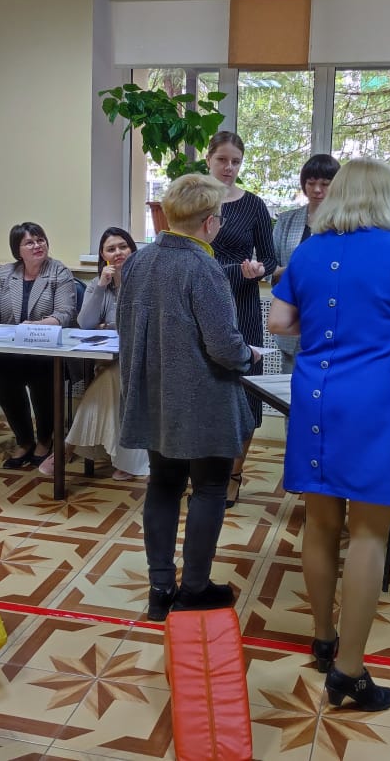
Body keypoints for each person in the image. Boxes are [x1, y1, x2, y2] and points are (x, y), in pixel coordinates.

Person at [268, 157, 390, 712]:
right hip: (370, 403)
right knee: (369, 534)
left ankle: (323, 638)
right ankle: (348, 671)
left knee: (320, 523)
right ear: (386, 198)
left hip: (314, 397)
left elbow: (278, 323)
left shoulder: (308, 251)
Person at [118, 174, 262, 621]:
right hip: (204, 399)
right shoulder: (203, 267)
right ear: (209, 222)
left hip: (155, 395)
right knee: (211, 488)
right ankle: (194, 588)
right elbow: (224, 346)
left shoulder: (138, 261)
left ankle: (160, 589)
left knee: (162, 485)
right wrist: (249, 354)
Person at [37, 227, 149, 481]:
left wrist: (107, 324)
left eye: (123, 246)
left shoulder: (146, 282)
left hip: (143, 362)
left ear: (133, 250)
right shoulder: (97, 285)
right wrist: (101, 287)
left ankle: (66, 449)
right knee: (109, 380)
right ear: (103, 255)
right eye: (111, 249)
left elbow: (136, 325)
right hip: (110, 360)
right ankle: (124, 458)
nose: (118, 252)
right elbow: (85, 324)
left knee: (108, 380)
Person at [206, 131, 277, 506]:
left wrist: (258, 269)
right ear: (208, 160)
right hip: (201, 303)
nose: (229, 167)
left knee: (245, 389)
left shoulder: (253, 205)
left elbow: (270, 258)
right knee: (206, 387)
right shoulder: (195, 200)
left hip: (243, 303)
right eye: (222, 160)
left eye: (235, 161)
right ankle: (205, 474)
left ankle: (234, 474)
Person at [0, 222, 76, 470]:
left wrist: (36, 325)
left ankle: (45, 439)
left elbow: (65, 314)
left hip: (46, 350)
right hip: (12, 349)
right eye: (29, 242)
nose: (37, 246)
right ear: (18, 250)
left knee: (42, 376)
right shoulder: (7, 273)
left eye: (40, 240)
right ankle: (24, 440)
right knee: (3, 374)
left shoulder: (59, 272)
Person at [271, 153, 340, 373]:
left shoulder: (346, 224)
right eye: (311, 183)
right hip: (292, 317)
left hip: (331, 320)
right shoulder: (287, 220)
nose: (317, 190)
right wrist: (292, 272)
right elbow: (271, 266)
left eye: (325, 184)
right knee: (290, 384)